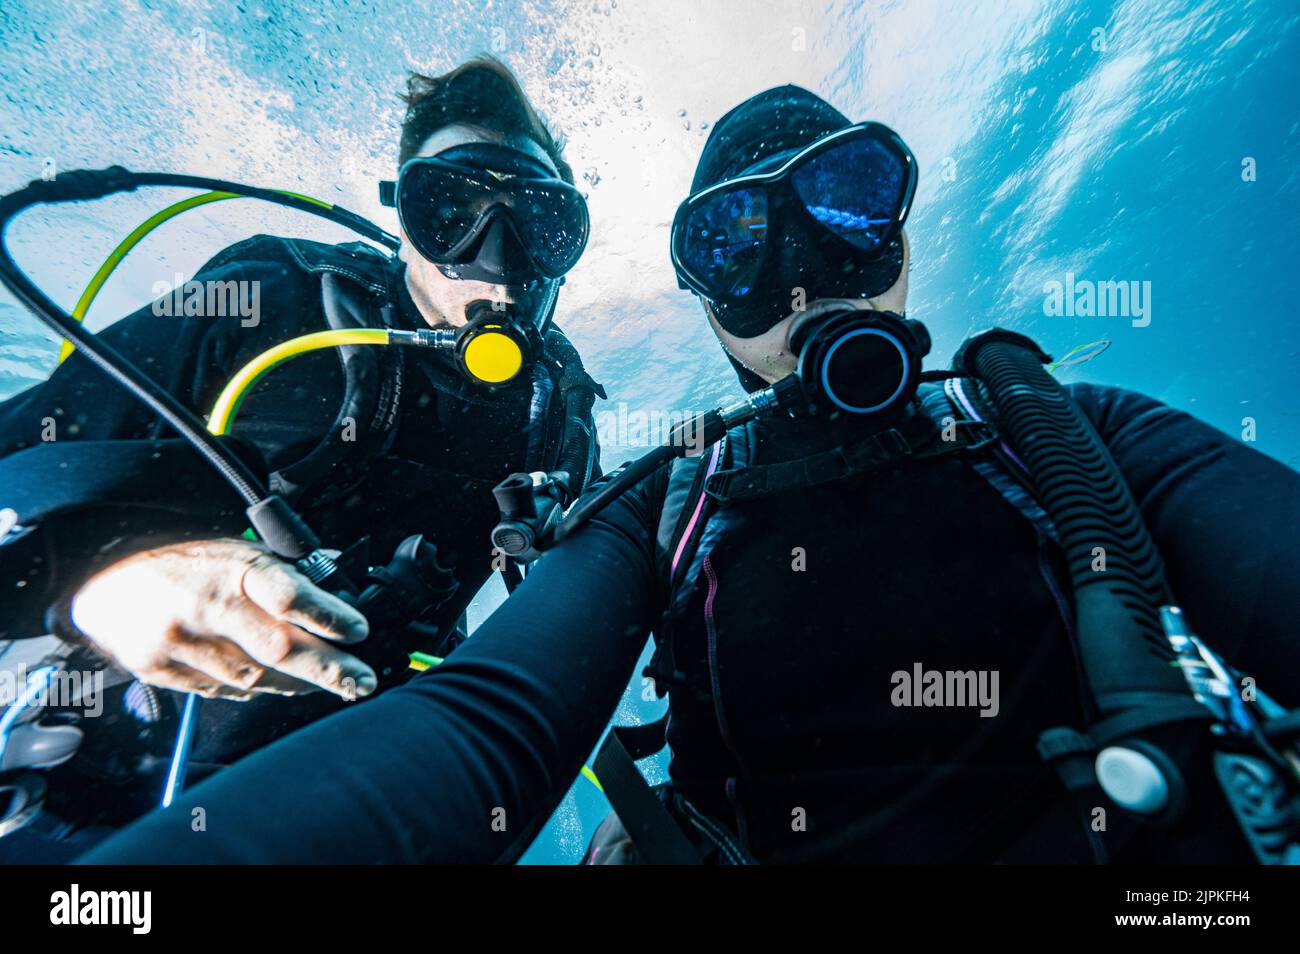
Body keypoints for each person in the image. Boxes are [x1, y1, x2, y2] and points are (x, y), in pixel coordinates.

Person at [77, 86, 1300, 865]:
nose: (808, 271)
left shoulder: (1063, 431)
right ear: (709, 304)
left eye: (848, 201)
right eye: (735, 243)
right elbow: (484, 725)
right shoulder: (666, 500)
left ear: (905, 233)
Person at [0, 55, 602, 858]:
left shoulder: (557, 419)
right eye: (449, 210)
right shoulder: (269, 309)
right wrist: (96, 585)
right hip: (91, 785)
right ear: (403, 221)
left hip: (352, 800)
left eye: (538, 222)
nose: (494, 257)